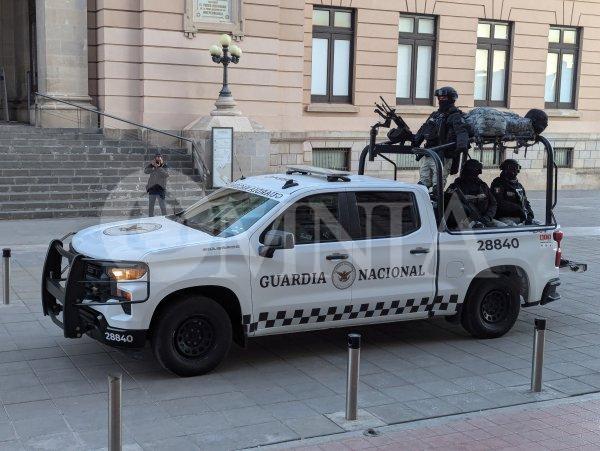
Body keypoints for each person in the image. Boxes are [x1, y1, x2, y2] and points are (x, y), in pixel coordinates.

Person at [412, 86, 470, 191]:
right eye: (439, 98)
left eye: (444, 98)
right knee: (423, 182)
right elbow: (424, 129)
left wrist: (461, 146)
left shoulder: (455, 116)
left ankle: (436, 204)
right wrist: (415, 141)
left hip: (443, 156)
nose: (441, 100)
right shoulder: (435, 115)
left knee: (437, 184)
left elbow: (462, 131)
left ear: (451, 99)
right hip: (429, 153)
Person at [444, 159, 506, 229]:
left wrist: (487, 217)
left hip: (485, 219)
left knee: (505, 227)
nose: (478, 175)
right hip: (464, 222)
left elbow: (493, 203)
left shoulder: (483, 186)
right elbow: (448, 206)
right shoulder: (455, 187)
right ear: (467, 171)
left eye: (478, 173)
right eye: (475, 172)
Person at [491, 159, 538, 226]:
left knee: (539, 225)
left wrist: (530, 214)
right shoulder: (498, 183)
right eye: (512, 168)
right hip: (504, 217)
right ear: (505, 170)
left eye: (516, 168)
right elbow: (499, 202)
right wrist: (518, 208)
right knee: (513, 227)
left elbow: (525, 202)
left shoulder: (519, 185)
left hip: (520, 217)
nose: (515, 171)